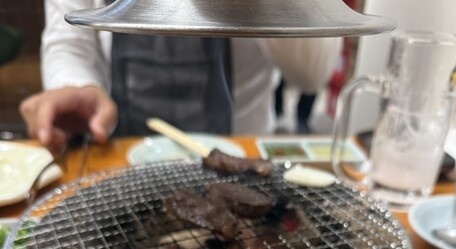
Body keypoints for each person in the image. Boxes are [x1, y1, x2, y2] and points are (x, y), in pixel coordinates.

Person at [20, 0, 342, 154]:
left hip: (242, 150)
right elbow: (70, 40)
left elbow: (312, 75)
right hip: (118, 150)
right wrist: (76, 85)